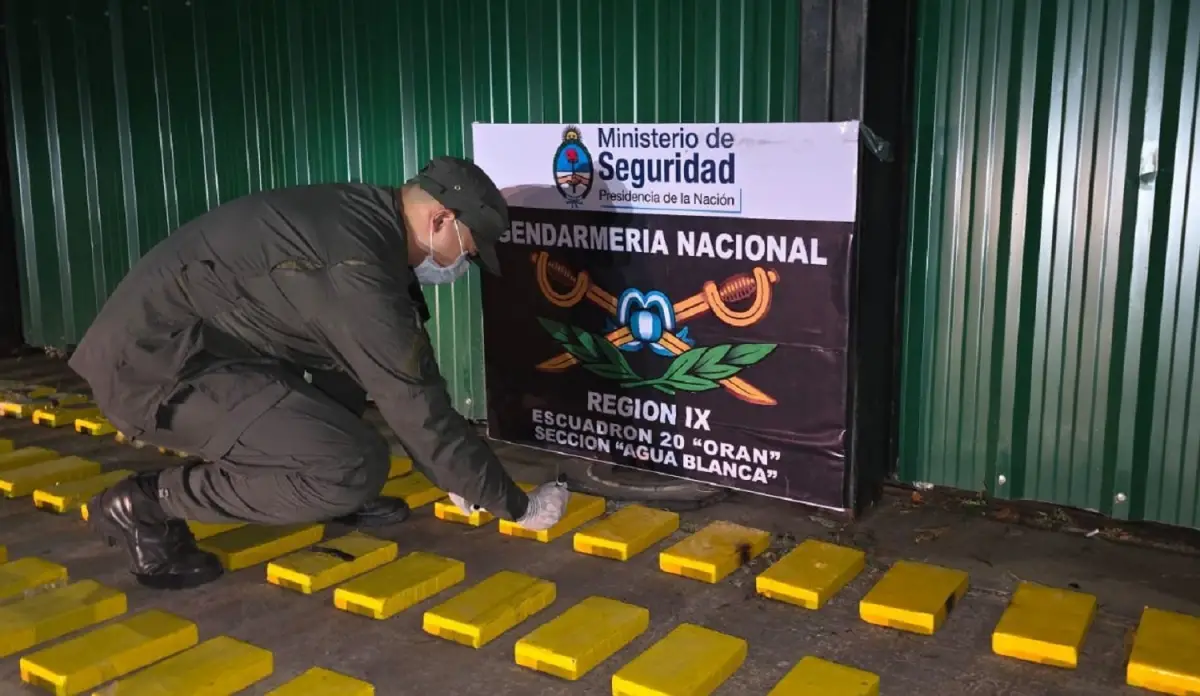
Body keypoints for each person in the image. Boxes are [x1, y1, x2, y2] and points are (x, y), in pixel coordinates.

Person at [69, 156, 569, 590]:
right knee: (351, 466)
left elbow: (375, 362)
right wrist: (511, 504)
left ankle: (330, 492)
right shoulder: (353, 266)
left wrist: (455, 472)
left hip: (208, 348)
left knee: (350, 379)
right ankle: (144, 505)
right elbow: (414, 399)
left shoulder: (364, 221)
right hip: (156, 371)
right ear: (441, 219)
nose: (463, 263)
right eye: (469, 250)